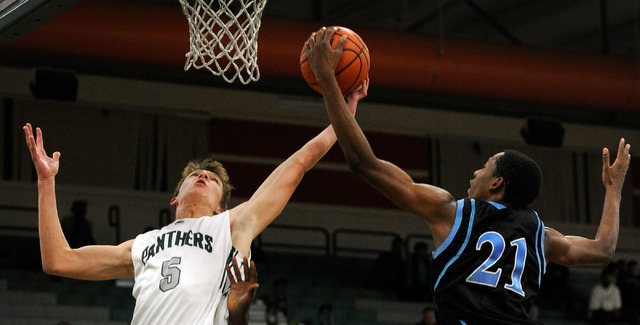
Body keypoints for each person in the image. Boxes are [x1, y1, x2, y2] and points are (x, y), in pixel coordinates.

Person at [304, 26, 631, 324]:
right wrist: (613, 191)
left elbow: (364, 163)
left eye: (485, 166)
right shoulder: (540, 236)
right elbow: (603, 250)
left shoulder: (451, 211)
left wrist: (329, 81)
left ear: (496, 182)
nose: (476, 172)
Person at [21, 87, 366, 325]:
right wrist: (46, 182)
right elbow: (58, 260)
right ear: (174, 198)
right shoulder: (141, 246)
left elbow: (299, 163)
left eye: (212, 179)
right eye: (195, 174)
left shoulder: (231, 225)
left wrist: (343, 116)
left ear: (220, 207)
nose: (203, 176)